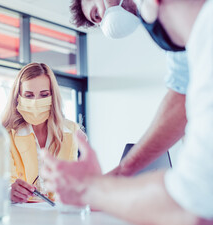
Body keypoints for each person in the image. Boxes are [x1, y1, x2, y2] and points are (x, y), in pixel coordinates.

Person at [42, 0, 213, 225]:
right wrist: (121, 173)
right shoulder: (196, 42)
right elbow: (180, 92)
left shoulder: (204, 35)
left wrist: (88, 187)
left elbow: (195, 208)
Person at [71, 0, 188, 176]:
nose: (104, 19)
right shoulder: (161, 30)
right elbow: (181, 94)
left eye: (97, 12)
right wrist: (121, 173)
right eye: (97, 19)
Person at [1, 62, 87, 203]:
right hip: (20, 216)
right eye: (29, 96)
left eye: (44, 95)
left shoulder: (70, 131)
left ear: (53, 97)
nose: (36, 102)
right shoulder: (5, 135)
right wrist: (9, 192)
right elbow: (3, 184)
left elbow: (69, 183)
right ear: (18, 98)